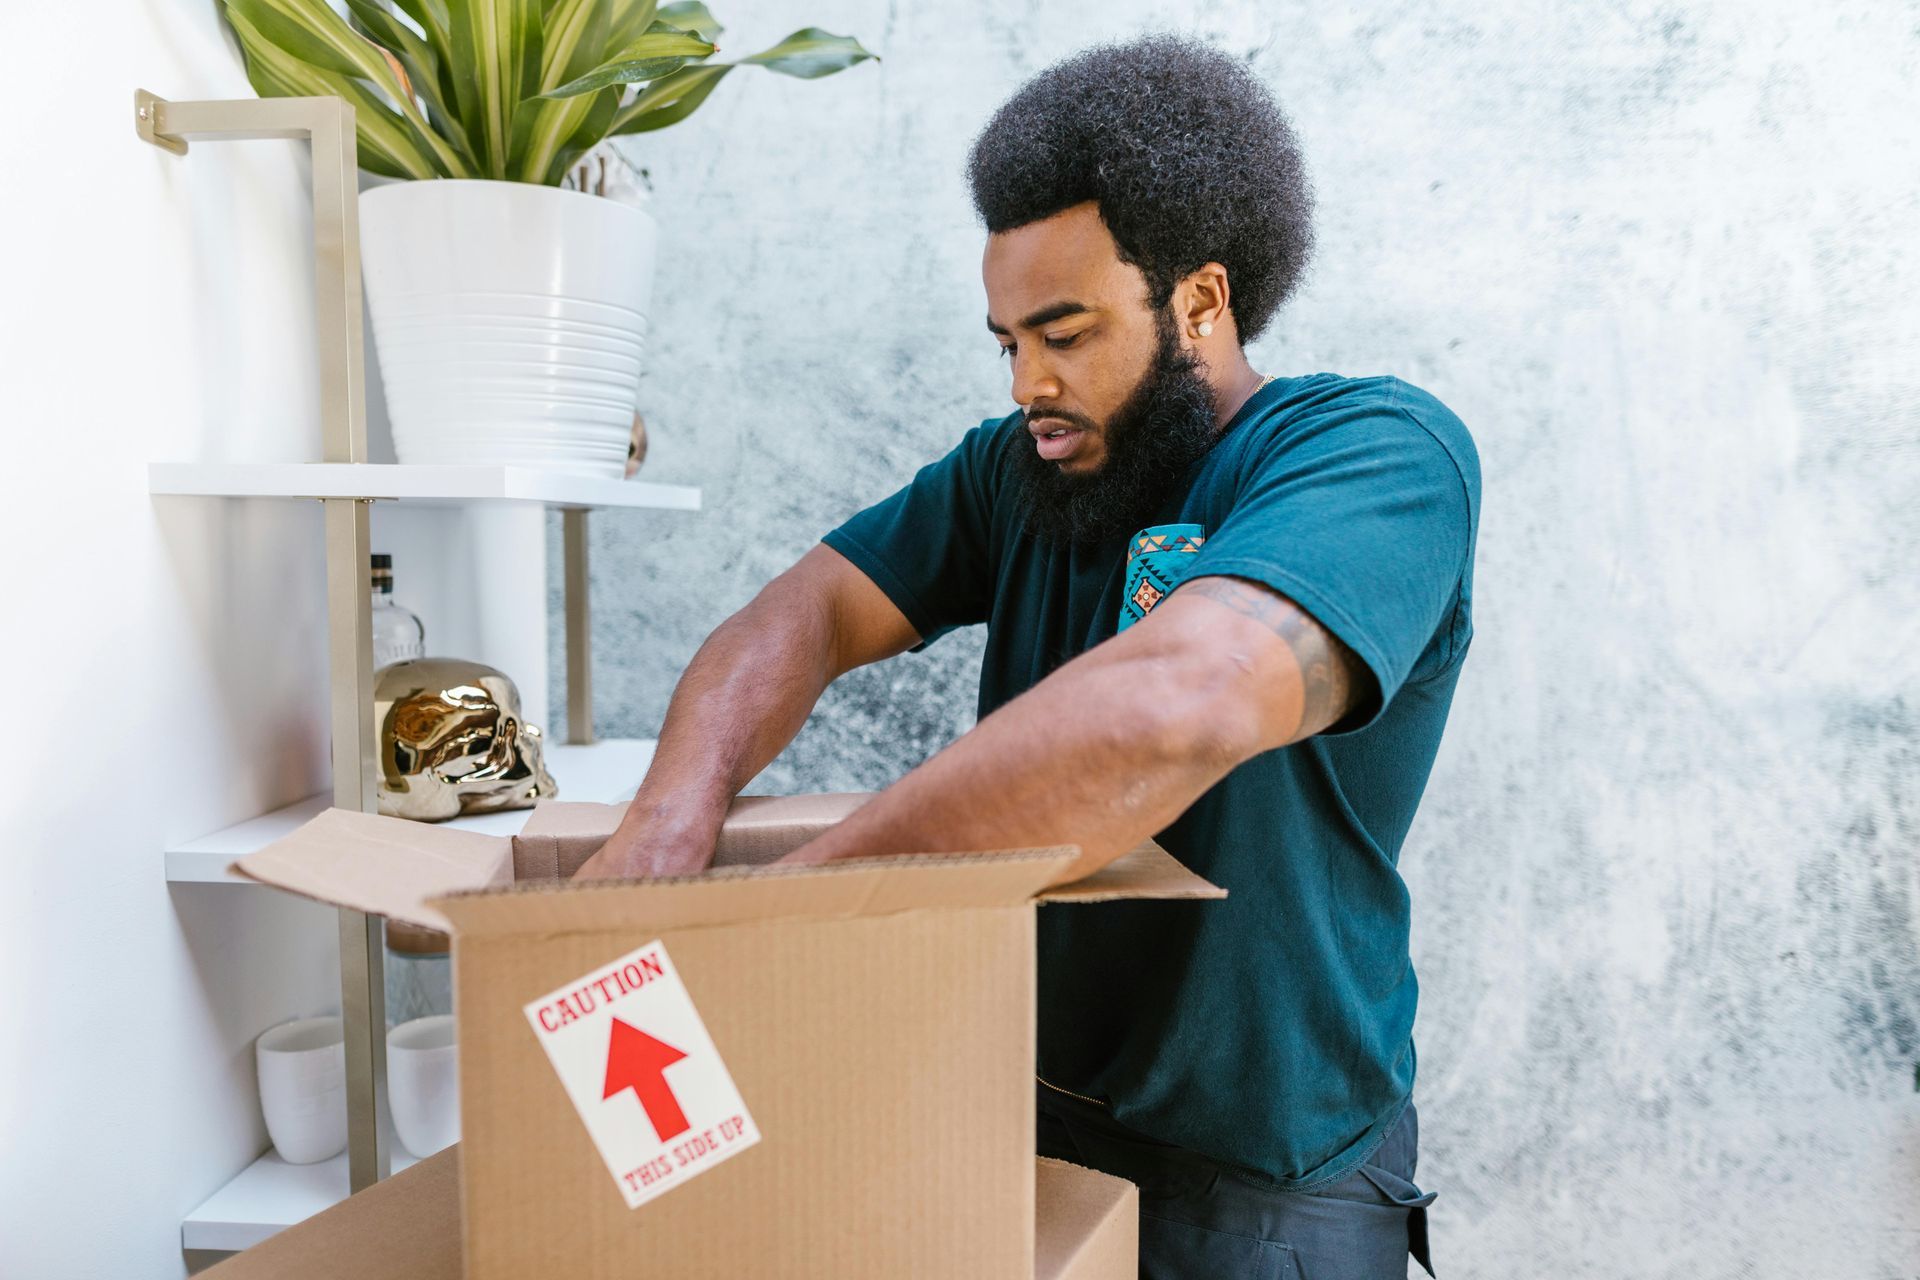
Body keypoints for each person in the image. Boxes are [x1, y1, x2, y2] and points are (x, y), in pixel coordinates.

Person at [576, 33, 1478, 1280]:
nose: (1030, 383)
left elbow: (1185, 698)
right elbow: (810, 610)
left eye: (1066, 332)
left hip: (1273, 1177)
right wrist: (669, 820)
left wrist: (786, 920)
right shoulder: (1021, 467)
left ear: (1202, 302)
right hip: (1027, 1116)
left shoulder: (1374, 456)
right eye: (1008, 341)